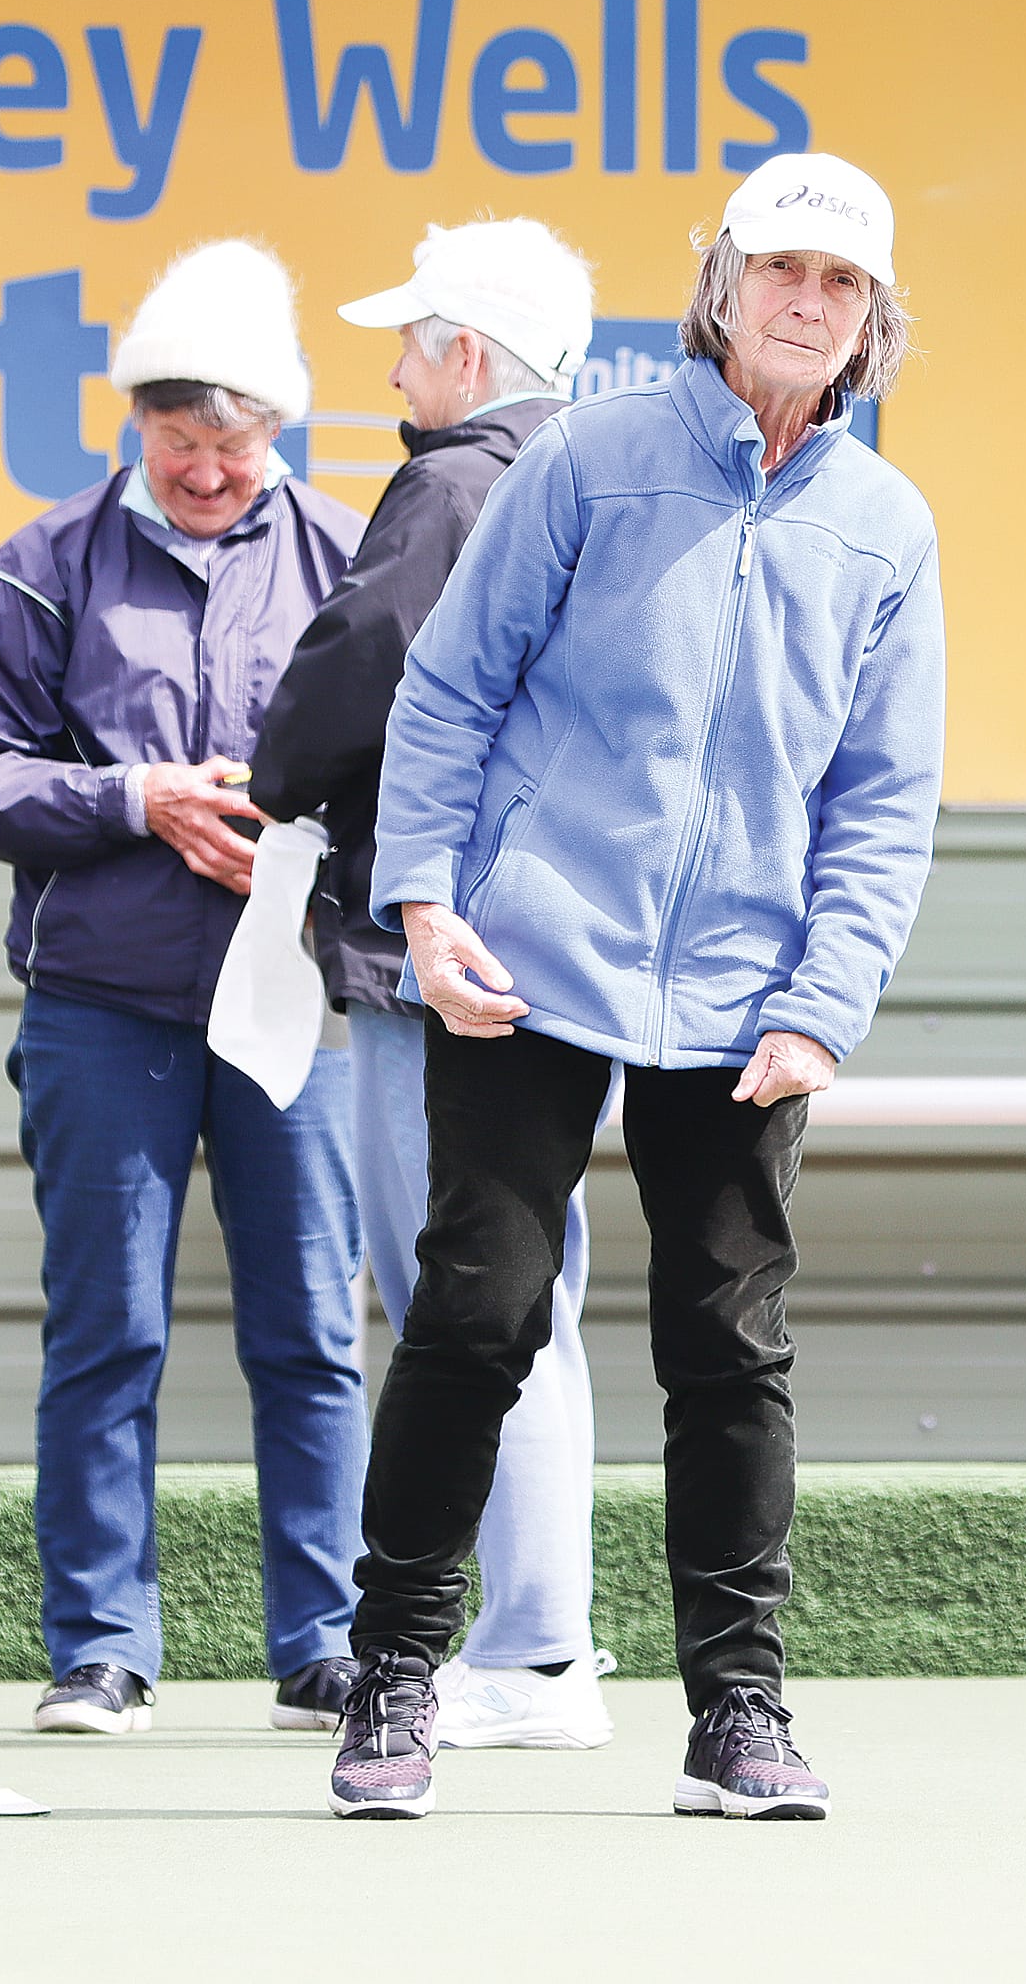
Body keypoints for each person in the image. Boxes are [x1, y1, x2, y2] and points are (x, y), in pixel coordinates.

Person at [326, 154, 944, 1820]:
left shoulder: (885, 527)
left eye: (839, 283)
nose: (805, 302)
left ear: (870, 316)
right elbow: (449, 691)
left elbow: (882, 799)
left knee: (727, 1349)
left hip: (749, 1001)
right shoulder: (594, 454)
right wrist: (427, 904)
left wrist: (825, 998)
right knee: (475, 1310)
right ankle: (395, 1673)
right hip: (527, 964)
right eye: (779, 270)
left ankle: (737, 1713)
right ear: (720, 281)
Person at [0, 241, 370, 1736]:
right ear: (134, 426)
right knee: (103, 1332)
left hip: (289, 1004)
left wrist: (307, 850)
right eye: (178, 440)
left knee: (307, 1330)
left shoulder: (356, 562)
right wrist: (134, 802)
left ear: (281, 430)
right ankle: (100, 1649)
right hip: (98, 1010)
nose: (206, 470)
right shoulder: (37, 567)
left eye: (234, 442)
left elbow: (423, 763)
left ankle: (323, 1639)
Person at [247, 218, 618, 1752]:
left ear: (469, 353)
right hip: (562, 943)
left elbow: (350, 677)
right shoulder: (604, 477)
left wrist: (275, 778)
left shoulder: (457, 477)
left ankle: (532, 1656)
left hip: (437, 948)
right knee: (541, 1293)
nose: (389, 363)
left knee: (462, 1297)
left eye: (409, 338)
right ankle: (543, 1640)